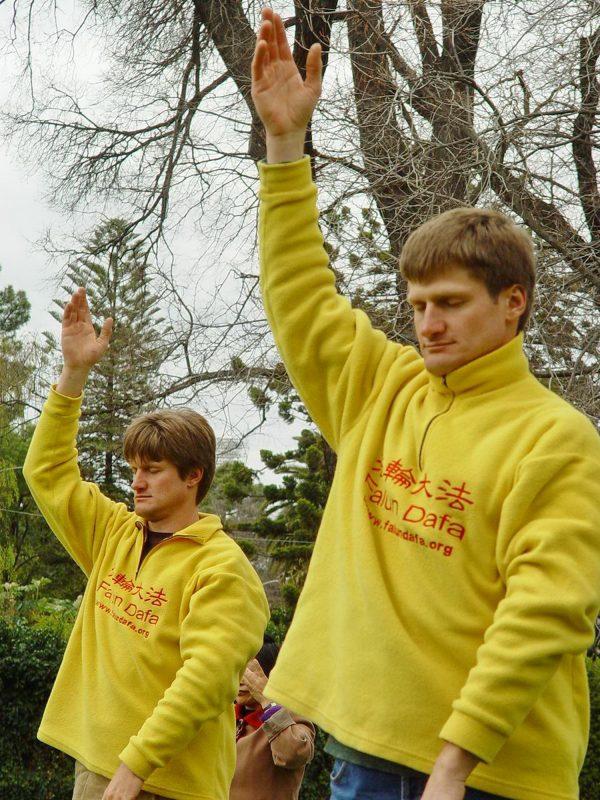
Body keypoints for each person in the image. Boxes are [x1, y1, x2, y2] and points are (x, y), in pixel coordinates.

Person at [250, 8, 600, 800]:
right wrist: (284, 149)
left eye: (448, 302)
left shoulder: (557, 437)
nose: (427, 323)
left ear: (514, 302)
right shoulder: (383, 387)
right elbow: (301, 294)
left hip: (484, 778)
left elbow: (545, 613)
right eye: (415, 305)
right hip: (367, 756)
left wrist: (454, 763)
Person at [23, 287, 270, 800]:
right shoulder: (114, 532)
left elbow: (203, 681)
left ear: (193, 477)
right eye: (135, 469)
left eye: (153, 470)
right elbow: (46, 472)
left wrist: (135, 767)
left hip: (166, 786)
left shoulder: (223, 569)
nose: (137, 481)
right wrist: (73, 374)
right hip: (99, 769)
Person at [230, 634, 315, 800]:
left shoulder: (290, 717)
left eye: (250, 674)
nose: (241, 681)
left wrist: (266, 700)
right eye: (238, 671)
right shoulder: (226, 716)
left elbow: (293, 753)